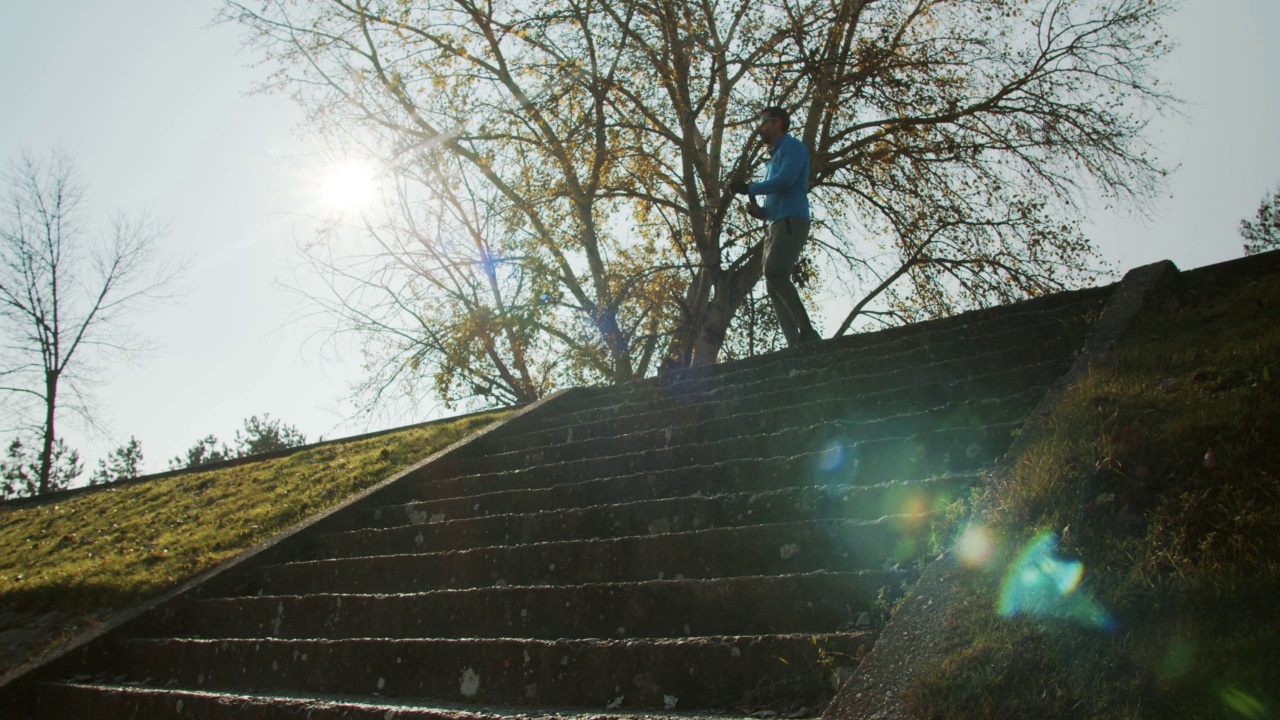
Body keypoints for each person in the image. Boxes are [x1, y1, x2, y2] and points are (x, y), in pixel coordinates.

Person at [730, 106, 821, 347]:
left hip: (793, 220)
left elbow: (786, 181)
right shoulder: (771, 159)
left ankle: (808, 333)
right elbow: (774, 200)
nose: (760, 128)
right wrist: (760, 212)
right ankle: (795, 343)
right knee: (773, 285)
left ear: (777, 122)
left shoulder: (794, 148)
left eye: (763, 122)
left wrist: (751, 188)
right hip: (776, 224)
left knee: (775, 272)